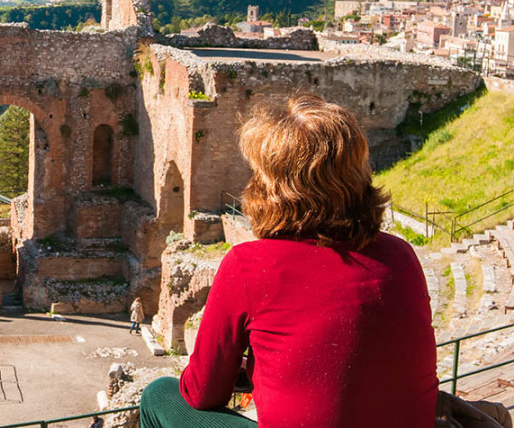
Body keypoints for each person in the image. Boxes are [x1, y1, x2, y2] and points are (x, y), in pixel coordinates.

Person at [140, 94, 511, 428]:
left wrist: (249, 370)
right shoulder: (401, 256)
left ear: (269, 184)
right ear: (360, 175)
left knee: (159, 395)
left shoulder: (249, 265)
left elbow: (201, 393)